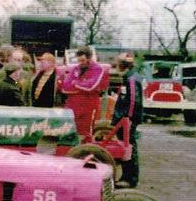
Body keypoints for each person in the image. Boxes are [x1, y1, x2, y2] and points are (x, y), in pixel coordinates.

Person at [61, 46, 106, 142]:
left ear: (89, 59)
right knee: (69, 130)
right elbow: (65, 87)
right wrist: (80, 85)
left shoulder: (98, 69)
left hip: (88, 107)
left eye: (82, 60)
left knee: (86, 133)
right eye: (78, 60)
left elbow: (91, 86)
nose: (80, 63)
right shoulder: (75, 68)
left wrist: (75, 83)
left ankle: (85, 153)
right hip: (72, 106)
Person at [112, 52, 143, 188]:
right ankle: (127, 176)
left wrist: (128, 118)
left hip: (127, 119)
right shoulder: (130, 77)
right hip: (125, 118)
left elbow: (133, 101)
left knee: (128, 148)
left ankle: (130, 179)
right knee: (127, 147)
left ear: (122, 64)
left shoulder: (131, 79)